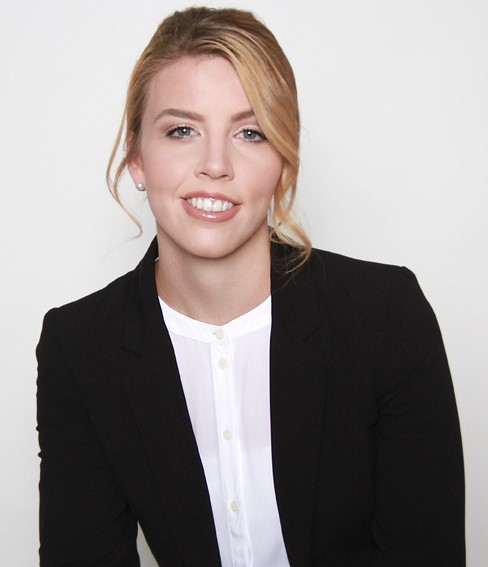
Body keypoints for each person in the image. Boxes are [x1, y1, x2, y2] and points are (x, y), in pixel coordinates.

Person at [36, 6, 465, 566]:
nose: (215, 164)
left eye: (250, 132)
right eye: (182, 130)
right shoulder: (78, 346)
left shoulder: (386, 315)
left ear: (283, 160)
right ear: (137, 157)